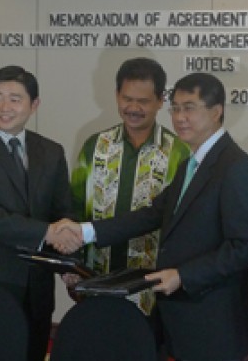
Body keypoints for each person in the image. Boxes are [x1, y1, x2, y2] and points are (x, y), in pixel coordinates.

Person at [58, 72, 248, 361]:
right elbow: (152, 215)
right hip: (178, 317)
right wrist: (84, 232)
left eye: (189, 108)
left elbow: (246, 246)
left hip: (213, 324)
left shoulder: (236, 167)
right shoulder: (193, 163)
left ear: (217, 112)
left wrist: (183, 276)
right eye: (176, 108)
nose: (180, 117)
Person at [0, 65, 79, 361]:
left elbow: (62, 212)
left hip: (37, 283)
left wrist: (69, 266)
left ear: (34, 105)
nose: (5, 107)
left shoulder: (51, 151)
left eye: (15, 99)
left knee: (32, 353)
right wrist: (47, 232)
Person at [69, 58, 190, 315]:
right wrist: (72, 267)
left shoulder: (179, 153)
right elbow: (74, 208)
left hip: (153, 290)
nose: (133, 107)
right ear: (116, 96)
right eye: (126, 98)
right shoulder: (94, 146)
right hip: (96, 282)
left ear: (160, 101)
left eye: (143, 101)